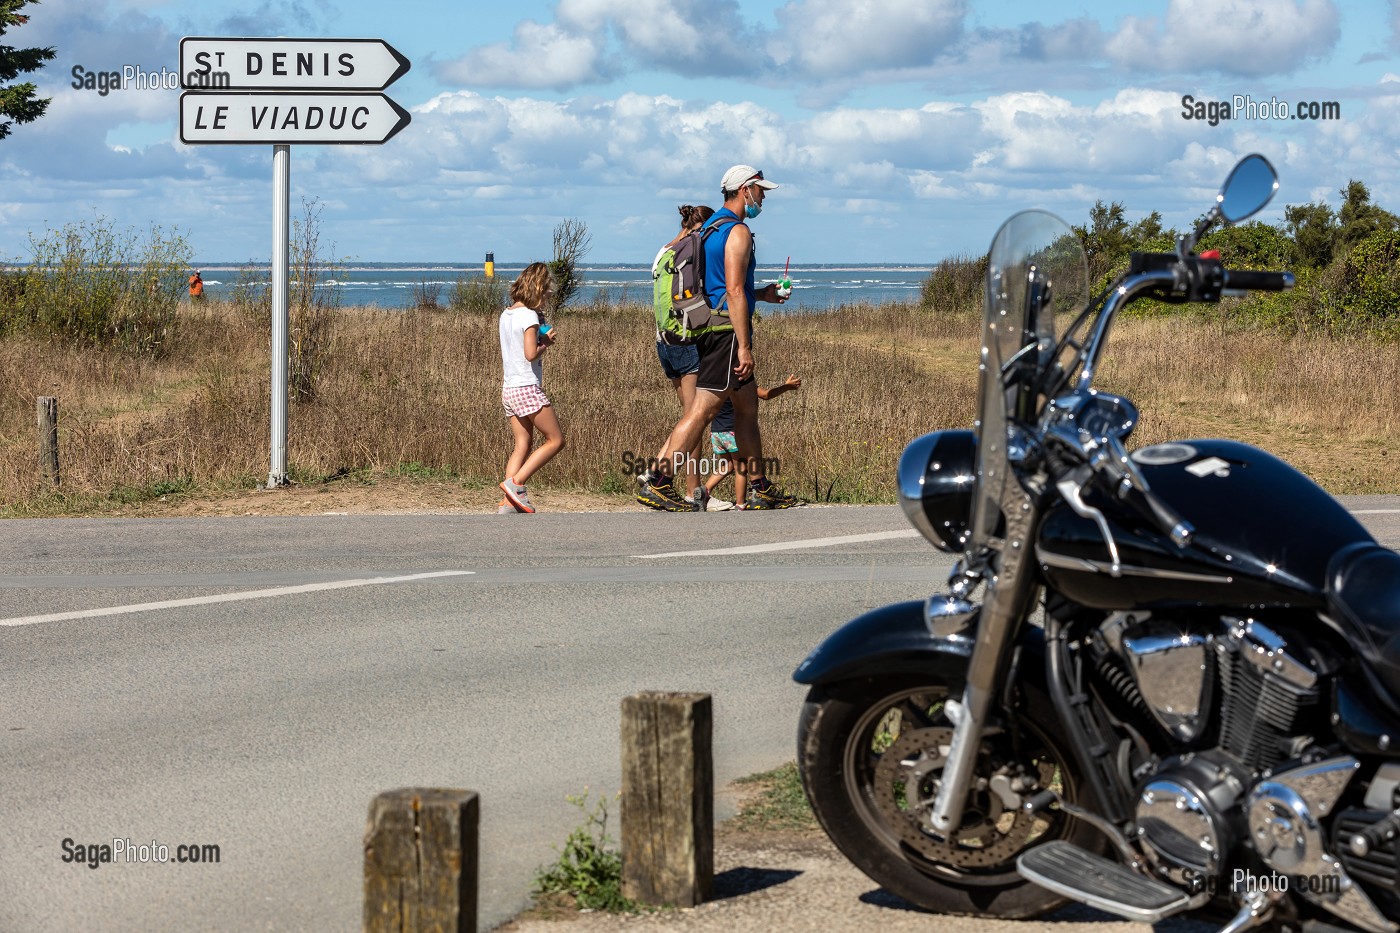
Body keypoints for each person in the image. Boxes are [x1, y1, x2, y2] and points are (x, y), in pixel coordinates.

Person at [637, 164, 798, 511]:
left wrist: (765, 294)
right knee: (703, 409)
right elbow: (734, 290)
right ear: (744, 190)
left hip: (709, 325)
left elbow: (718, 286)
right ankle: (660, 480)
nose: (763, 198)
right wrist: (744, 346)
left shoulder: (710, 229)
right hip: (727, 333)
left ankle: (759, 486)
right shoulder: (737, 231)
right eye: (760, 191)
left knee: (747, 408)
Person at [645, 204, 714, 506]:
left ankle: (657, 472)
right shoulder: (695, 246)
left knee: (689, 415)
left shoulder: (664, 251)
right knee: (695, 419)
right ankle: (688, 491)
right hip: (686, 340)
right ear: (702, 226)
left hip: (664, 341)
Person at [497, 262, 564, 514]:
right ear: (538, 288)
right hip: (526, 387)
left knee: (522, 442)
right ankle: (515, 484)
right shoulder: (529, 316)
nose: (548, 297)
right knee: (556, 440)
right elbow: (529, 354)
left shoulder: (507, 314)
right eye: (547, 292)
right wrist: (545, 342)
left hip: (509, 389)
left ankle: (508, 503)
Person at [703, 374, 802, 510]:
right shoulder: (740, 384)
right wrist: (786, 387)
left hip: (716, 431)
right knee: (741, 468)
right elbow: (766, 394)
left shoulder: (716, 382)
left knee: (727, 466)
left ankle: (704, 491)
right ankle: (740, 504)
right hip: (732, 431)